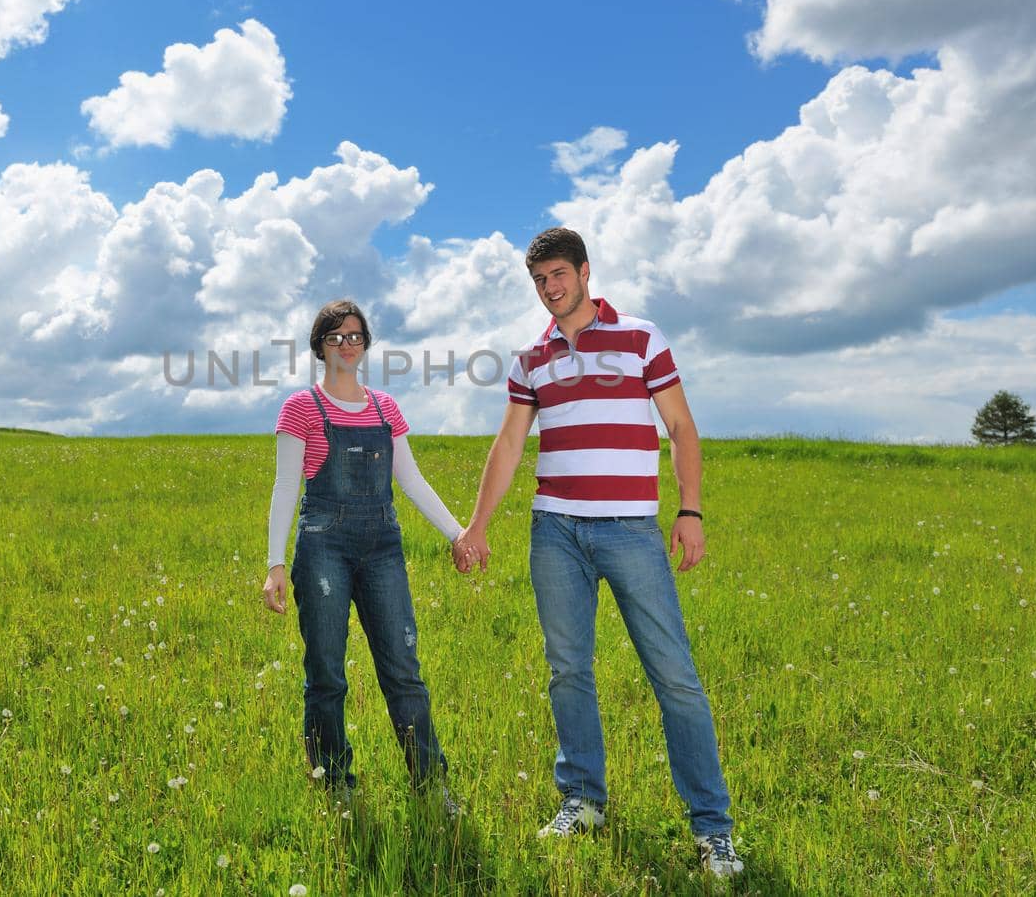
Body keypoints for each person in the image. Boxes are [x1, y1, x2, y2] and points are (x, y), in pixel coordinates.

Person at [452, 227, 744, 879]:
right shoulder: (531, 358)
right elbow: (507, 445)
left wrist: (689, 509)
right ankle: (583, 799)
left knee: (674, 675)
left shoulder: (640, 337)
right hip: (555, 531)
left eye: (558, 274)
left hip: (630, 529)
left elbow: (681, 427)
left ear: (585, 272)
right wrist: (477, 525)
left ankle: (713, 829)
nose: (550, 288)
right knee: (567, 669)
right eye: (539, 280)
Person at [263, 299, 463, 815]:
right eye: (336, 337)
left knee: (403, 669)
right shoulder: (301, 408)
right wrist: (274, 564)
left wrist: (456, 532)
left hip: (382, 550)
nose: (346, 345)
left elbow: (411, 480)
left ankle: (430, 784)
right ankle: (334, 783)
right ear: (319, 347)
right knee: (327, 673)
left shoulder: (385, 408)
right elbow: (287, 486)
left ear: (366, 343)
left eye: (355, 336)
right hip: (322, 545)